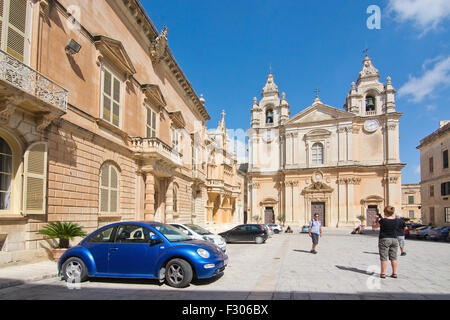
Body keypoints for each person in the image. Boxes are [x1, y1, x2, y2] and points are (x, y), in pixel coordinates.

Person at [373, 206, 400, 279]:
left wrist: (376, 220)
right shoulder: (397, 220)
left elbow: (375, 227)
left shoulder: (383, 220)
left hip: (384, 239)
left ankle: (383, 273)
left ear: (385, 212)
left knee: (384, 257)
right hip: (394, 239)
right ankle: (394, 273)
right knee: (394, 257)